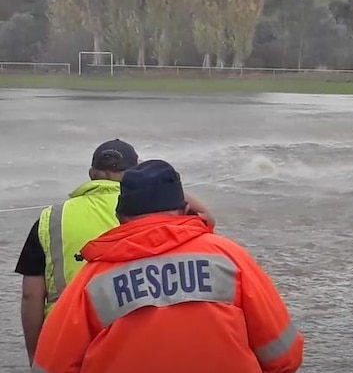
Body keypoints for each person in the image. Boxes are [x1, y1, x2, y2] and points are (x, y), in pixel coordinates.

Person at [30, 159, 304, 373]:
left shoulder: (91, 280)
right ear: (185, 209)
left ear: (119, 217)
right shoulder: (230, 258)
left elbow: (51, 365)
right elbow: (284, 356)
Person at [15, 139, 215, 366]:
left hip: (65, 337)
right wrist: (159, 182)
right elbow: (206, 219)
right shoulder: (154, 212)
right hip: (136, 334)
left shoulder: (51, 218)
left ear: (91, 174)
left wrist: (36, 356)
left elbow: (30, 296)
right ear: (135, 172)